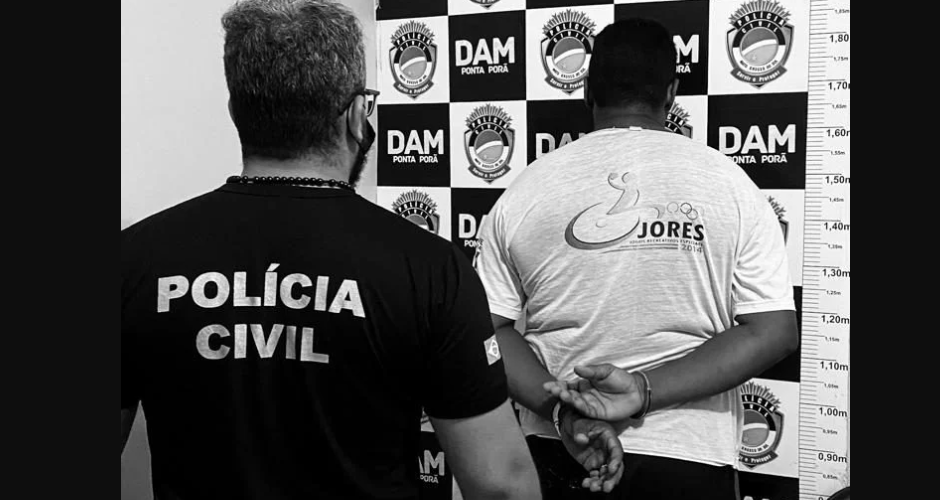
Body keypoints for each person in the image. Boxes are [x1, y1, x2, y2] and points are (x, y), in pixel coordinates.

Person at [119, 1, 618, 498]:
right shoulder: (429, 269)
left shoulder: (133, 257)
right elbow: (501, 485)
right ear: (359, 115)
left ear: (236, 112)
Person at [474, 18, 799, 500]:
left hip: (564, 448)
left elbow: (486, 333)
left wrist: (565, 412)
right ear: (671, 92)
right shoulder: (731, 185)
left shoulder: (525, 191)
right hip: (689, 457)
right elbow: (773, 331)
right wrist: (643, 390)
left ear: (587, 91)